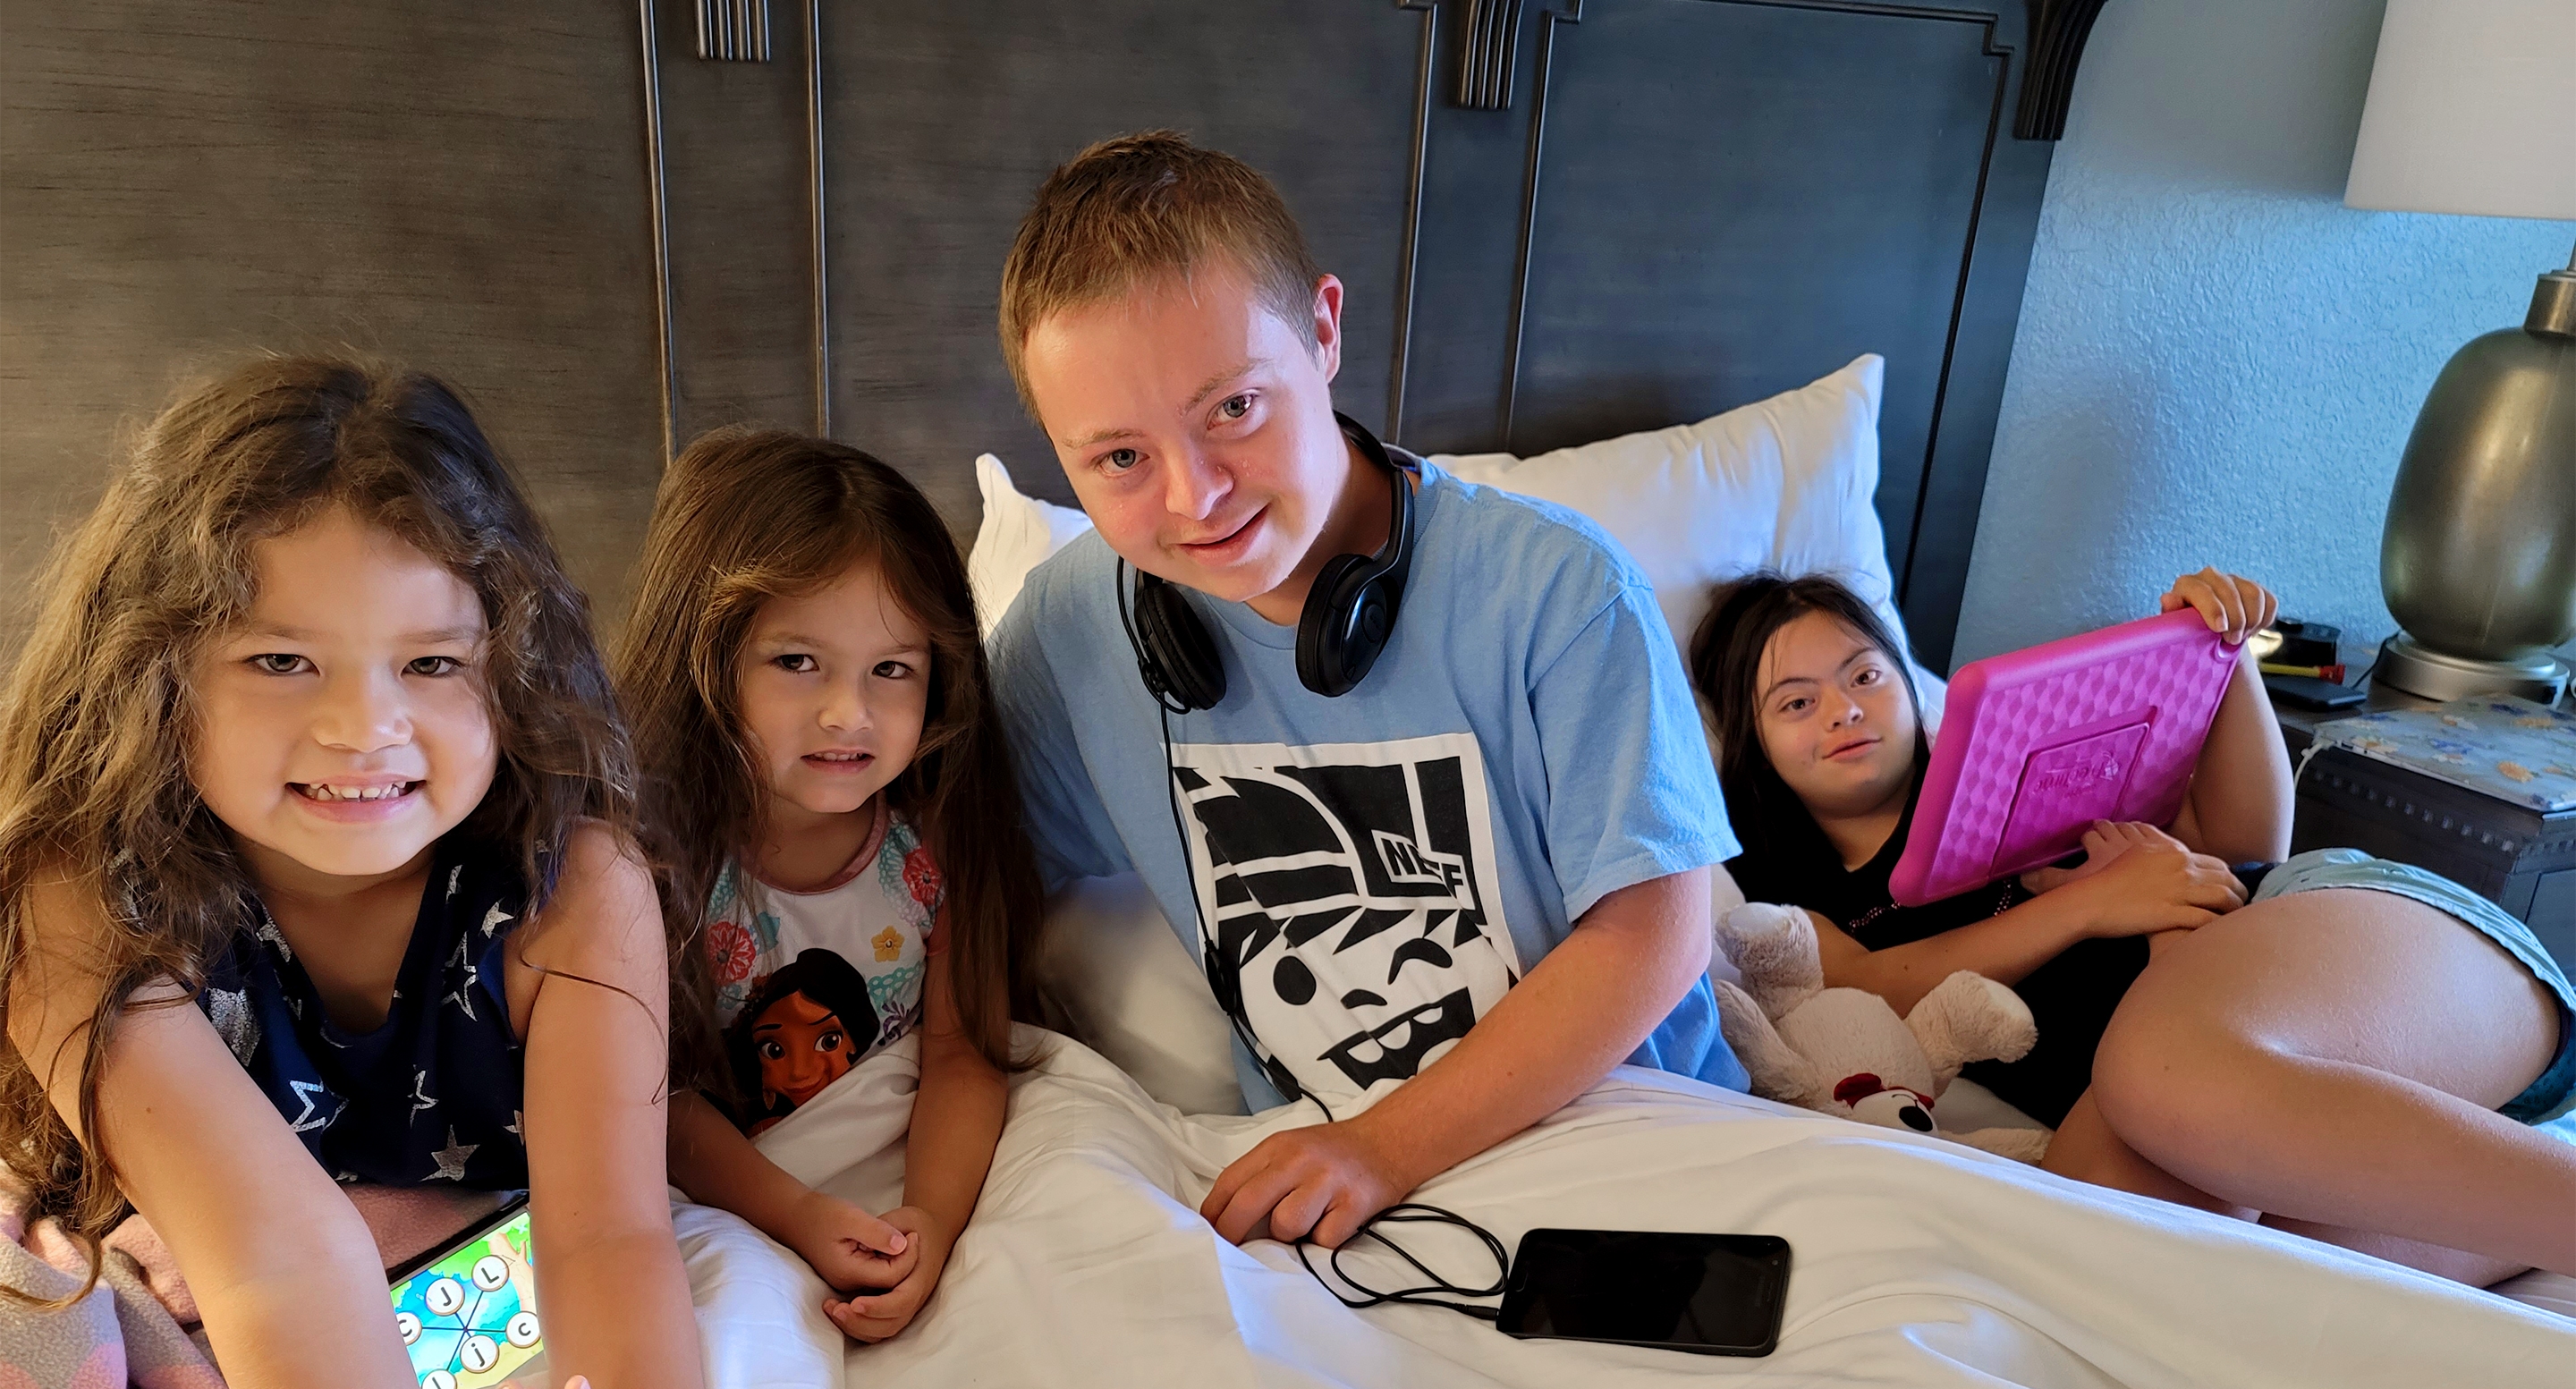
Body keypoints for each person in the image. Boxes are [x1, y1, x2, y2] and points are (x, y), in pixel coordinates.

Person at [0, 357, 707, 1389]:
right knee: (55, 1332)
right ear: (157, 675)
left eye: (433, 662)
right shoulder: (76, 896)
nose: (363, 726)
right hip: (200, 1236)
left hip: (443, 1238)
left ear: (506, 667)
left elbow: (610, 1231)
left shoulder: (574, 887)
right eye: (279, 659)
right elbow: (273, 1261)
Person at [986, 131, 1748, 1252]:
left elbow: (1655, 935)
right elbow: (960, 883)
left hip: (1633, 1132)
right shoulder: (1067, 630)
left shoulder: (1562, 589)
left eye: (1233, 409)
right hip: (1329, 1195)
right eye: (1119, 460)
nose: (1196, 497)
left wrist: (1381, 1148)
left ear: (1326, 329)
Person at [1693, 572, 2576, 1281]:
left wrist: (2220, 656)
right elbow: (1870, 984)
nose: (1844, 709)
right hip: (2236, 1091)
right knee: (2108, 1258)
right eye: (1796, 702)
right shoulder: (1778, 887)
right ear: (1751, 741)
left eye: (1864, 675)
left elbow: (2243, 849)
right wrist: (2094, 905)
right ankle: (2522, 1214)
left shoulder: (2018, 767)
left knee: (2161, 1079)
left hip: (2333, 933)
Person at [614, 428, 1038, 1344]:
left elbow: (964, 1054)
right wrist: (801, 1218)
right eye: (796, 661)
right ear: (707, 653)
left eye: (892, 669)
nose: (849, 713)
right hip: (734, 1191)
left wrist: (929, 1219)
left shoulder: (935, 843)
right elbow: (650, 1102)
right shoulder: (639, 860)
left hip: (904, 1168)